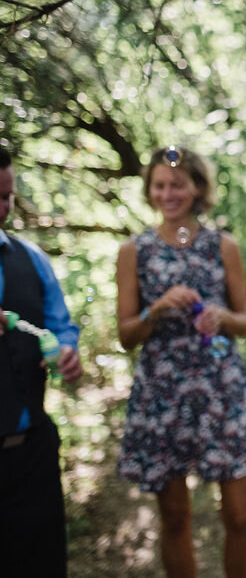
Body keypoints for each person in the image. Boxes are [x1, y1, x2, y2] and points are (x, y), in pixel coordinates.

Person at [115, 146, 246, 578]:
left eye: (177, 184)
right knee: (176, 517)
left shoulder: (224, 245)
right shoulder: (134, 250)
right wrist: (155, 309)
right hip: (163, 394)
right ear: (149, 191)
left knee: (238, 516)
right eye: (159, 185)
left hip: (221, 389)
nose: (168, 193)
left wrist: (222, 318)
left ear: (197, 187)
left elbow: (244, 323)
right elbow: (126, 335)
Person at [0, 145, 83, 577]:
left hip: (31, 452)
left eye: (5, 197)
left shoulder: (32, 260)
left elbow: (60, 326)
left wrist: (68, 353)